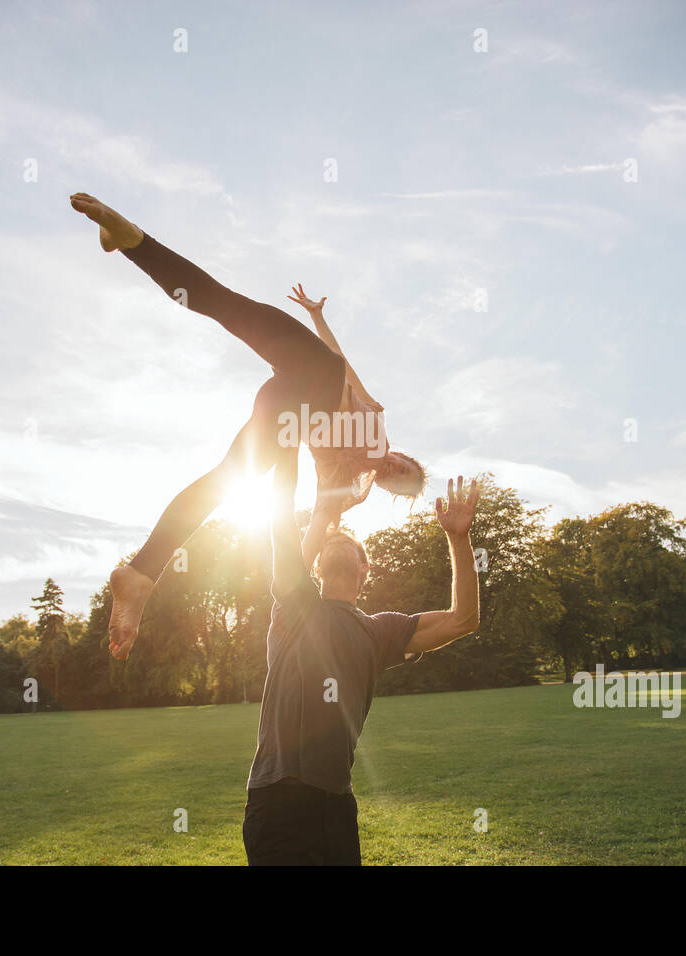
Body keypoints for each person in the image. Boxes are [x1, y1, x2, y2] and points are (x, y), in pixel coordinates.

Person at [68, 193, 427, 659]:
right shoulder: (375, 417)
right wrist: (318, 316)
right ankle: (133, 240)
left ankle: (141, 574)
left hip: (288, 411)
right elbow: (345, 364)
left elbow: (317, 519)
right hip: (312, 366)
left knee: (234, 480)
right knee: (225, 305)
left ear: (390, 490)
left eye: (400, 482)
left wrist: (297, 574)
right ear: (404, 454)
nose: (395, 469)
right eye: (407, 466)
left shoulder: (348, 486)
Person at [243, 448, 481, 865]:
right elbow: (296, 537)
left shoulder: (378, 631)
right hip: (275, 799)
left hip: (335, 805)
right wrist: (322, 500)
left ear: (365, 568)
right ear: (316, 568)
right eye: (328, 544)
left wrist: (458, 538)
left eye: (348, 544)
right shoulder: (294, 608)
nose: (335, 544)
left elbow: (463, 619)